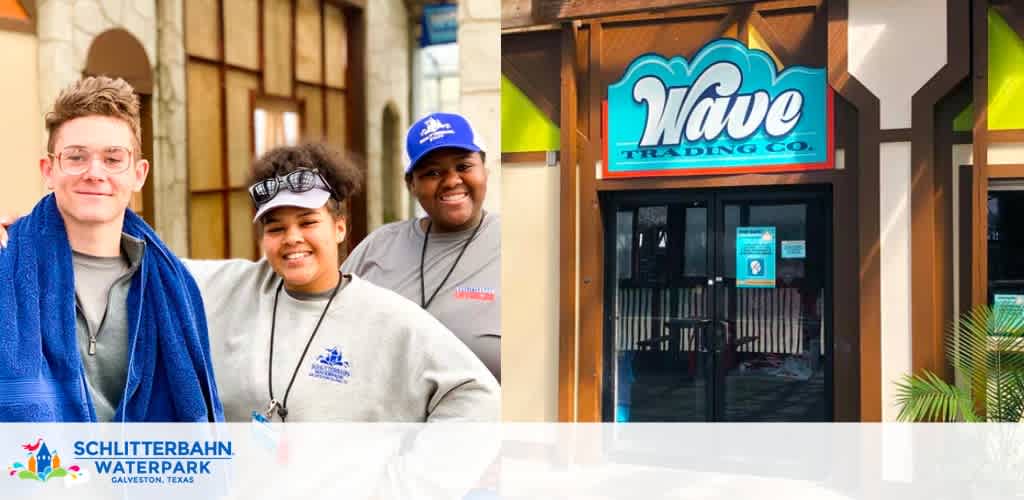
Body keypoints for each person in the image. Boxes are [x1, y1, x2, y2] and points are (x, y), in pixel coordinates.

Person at [184, 143, 499, 422]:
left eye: (308, 222)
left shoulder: (389, 317)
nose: (292, 238)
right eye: (276, 228)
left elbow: (478, 397)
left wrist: (411, 482)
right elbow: (151, 267)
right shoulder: (232, 287)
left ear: (339, 228)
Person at [0, 77, 222, 422]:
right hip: (37, 475)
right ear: (49, 170)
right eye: (76, 157)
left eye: (113, 158)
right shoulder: (7, 266)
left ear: (138, 174)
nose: (94, 172)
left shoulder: (172, 285)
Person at [341, 112, 501, 382]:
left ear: (485, 170)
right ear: (411, 185)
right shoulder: (378, 247)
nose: (451, 181)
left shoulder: (517, 243)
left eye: (463, 166)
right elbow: (330, 323)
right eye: (432, 173)